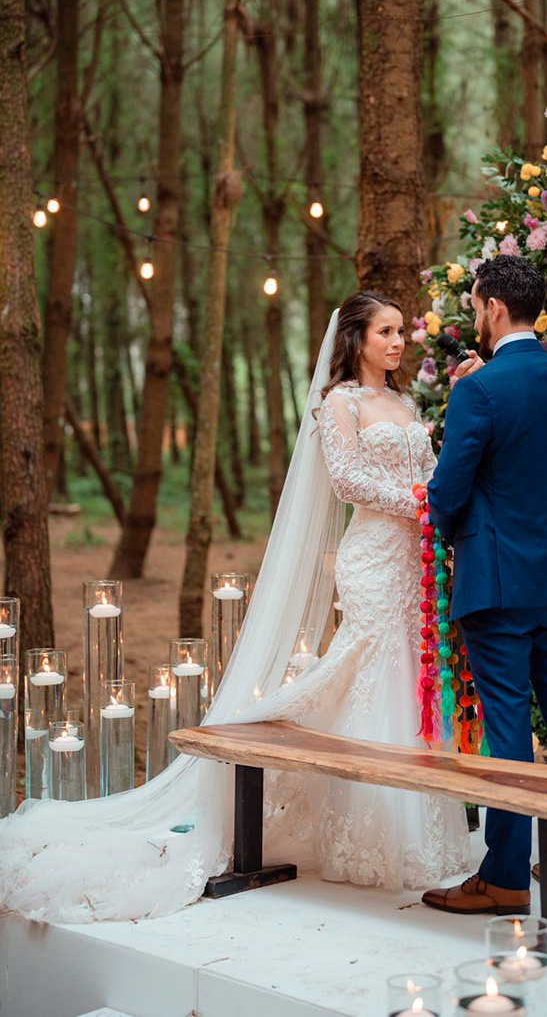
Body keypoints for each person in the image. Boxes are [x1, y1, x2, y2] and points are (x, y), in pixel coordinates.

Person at [0, 292, 469, 923]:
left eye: (399, 333)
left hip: (416, 561)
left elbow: (433, 467)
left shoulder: (407, 403)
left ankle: (422, 829)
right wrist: (419, 501)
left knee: (409, 679)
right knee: (372, 672)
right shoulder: (340, 403)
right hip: (372, 559)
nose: (398, 342)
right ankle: (372, 834)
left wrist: (435, 499)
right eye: (385, 332)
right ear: (355, 339)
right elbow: (347, 481)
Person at [420, 255, 547, 917]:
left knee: (507, 732)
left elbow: (448, 492)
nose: (474, 316)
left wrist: (453, 523)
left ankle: (504, 878)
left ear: (494, 307)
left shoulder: (479, 389)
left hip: (495, 581)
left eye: (474, 306)